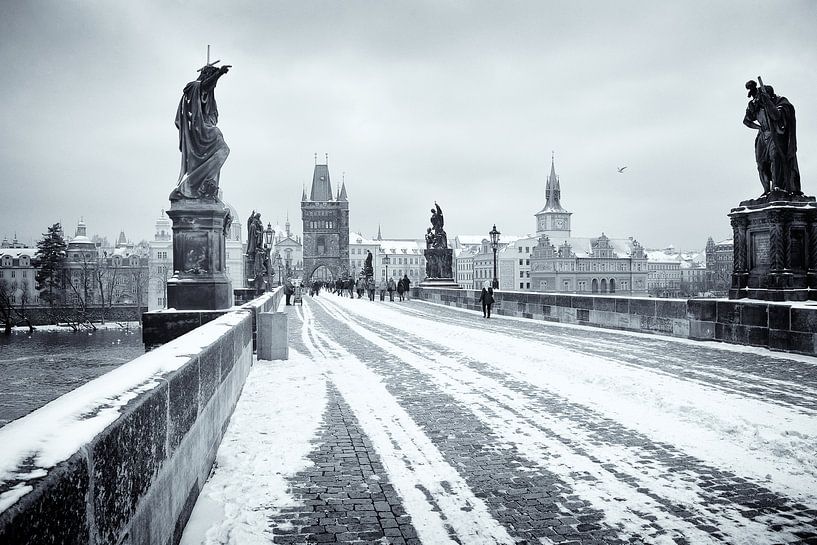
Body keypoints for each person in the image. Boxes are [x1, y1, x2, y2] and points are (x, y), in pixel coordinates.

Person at [170, 62, 231, 201]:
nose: (212, 87)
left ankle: (205, 186)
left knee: (218, 153)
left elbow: (208, 87)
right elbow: (205, 86)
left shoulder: (204, 89)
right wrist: (219, 73)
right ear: (206, 75)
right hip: (199, 129)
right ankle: (191, 185)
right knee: (223, 149)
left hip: (206, 126)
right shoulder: (193, 86)